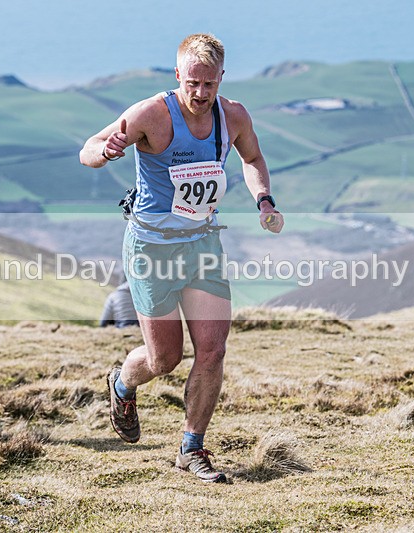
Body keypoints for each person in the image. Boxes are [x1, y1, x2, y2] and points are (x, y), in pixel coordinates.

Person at [80, 33, 283, 483]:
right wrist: (106, 151)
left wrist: (263, 199)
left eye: (209, 83)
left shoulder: (233, 116)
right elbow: (88, 149)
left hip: (203, 246)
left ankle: (192, 448)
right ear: (177, 76)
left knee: (212, 350)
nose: (200, 93)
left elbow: (252, 158)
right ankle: (122, 383)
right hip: (152, 251)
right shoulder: (152, 113)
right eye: (192, 82)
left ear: (221, 79)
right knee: (164, 359)